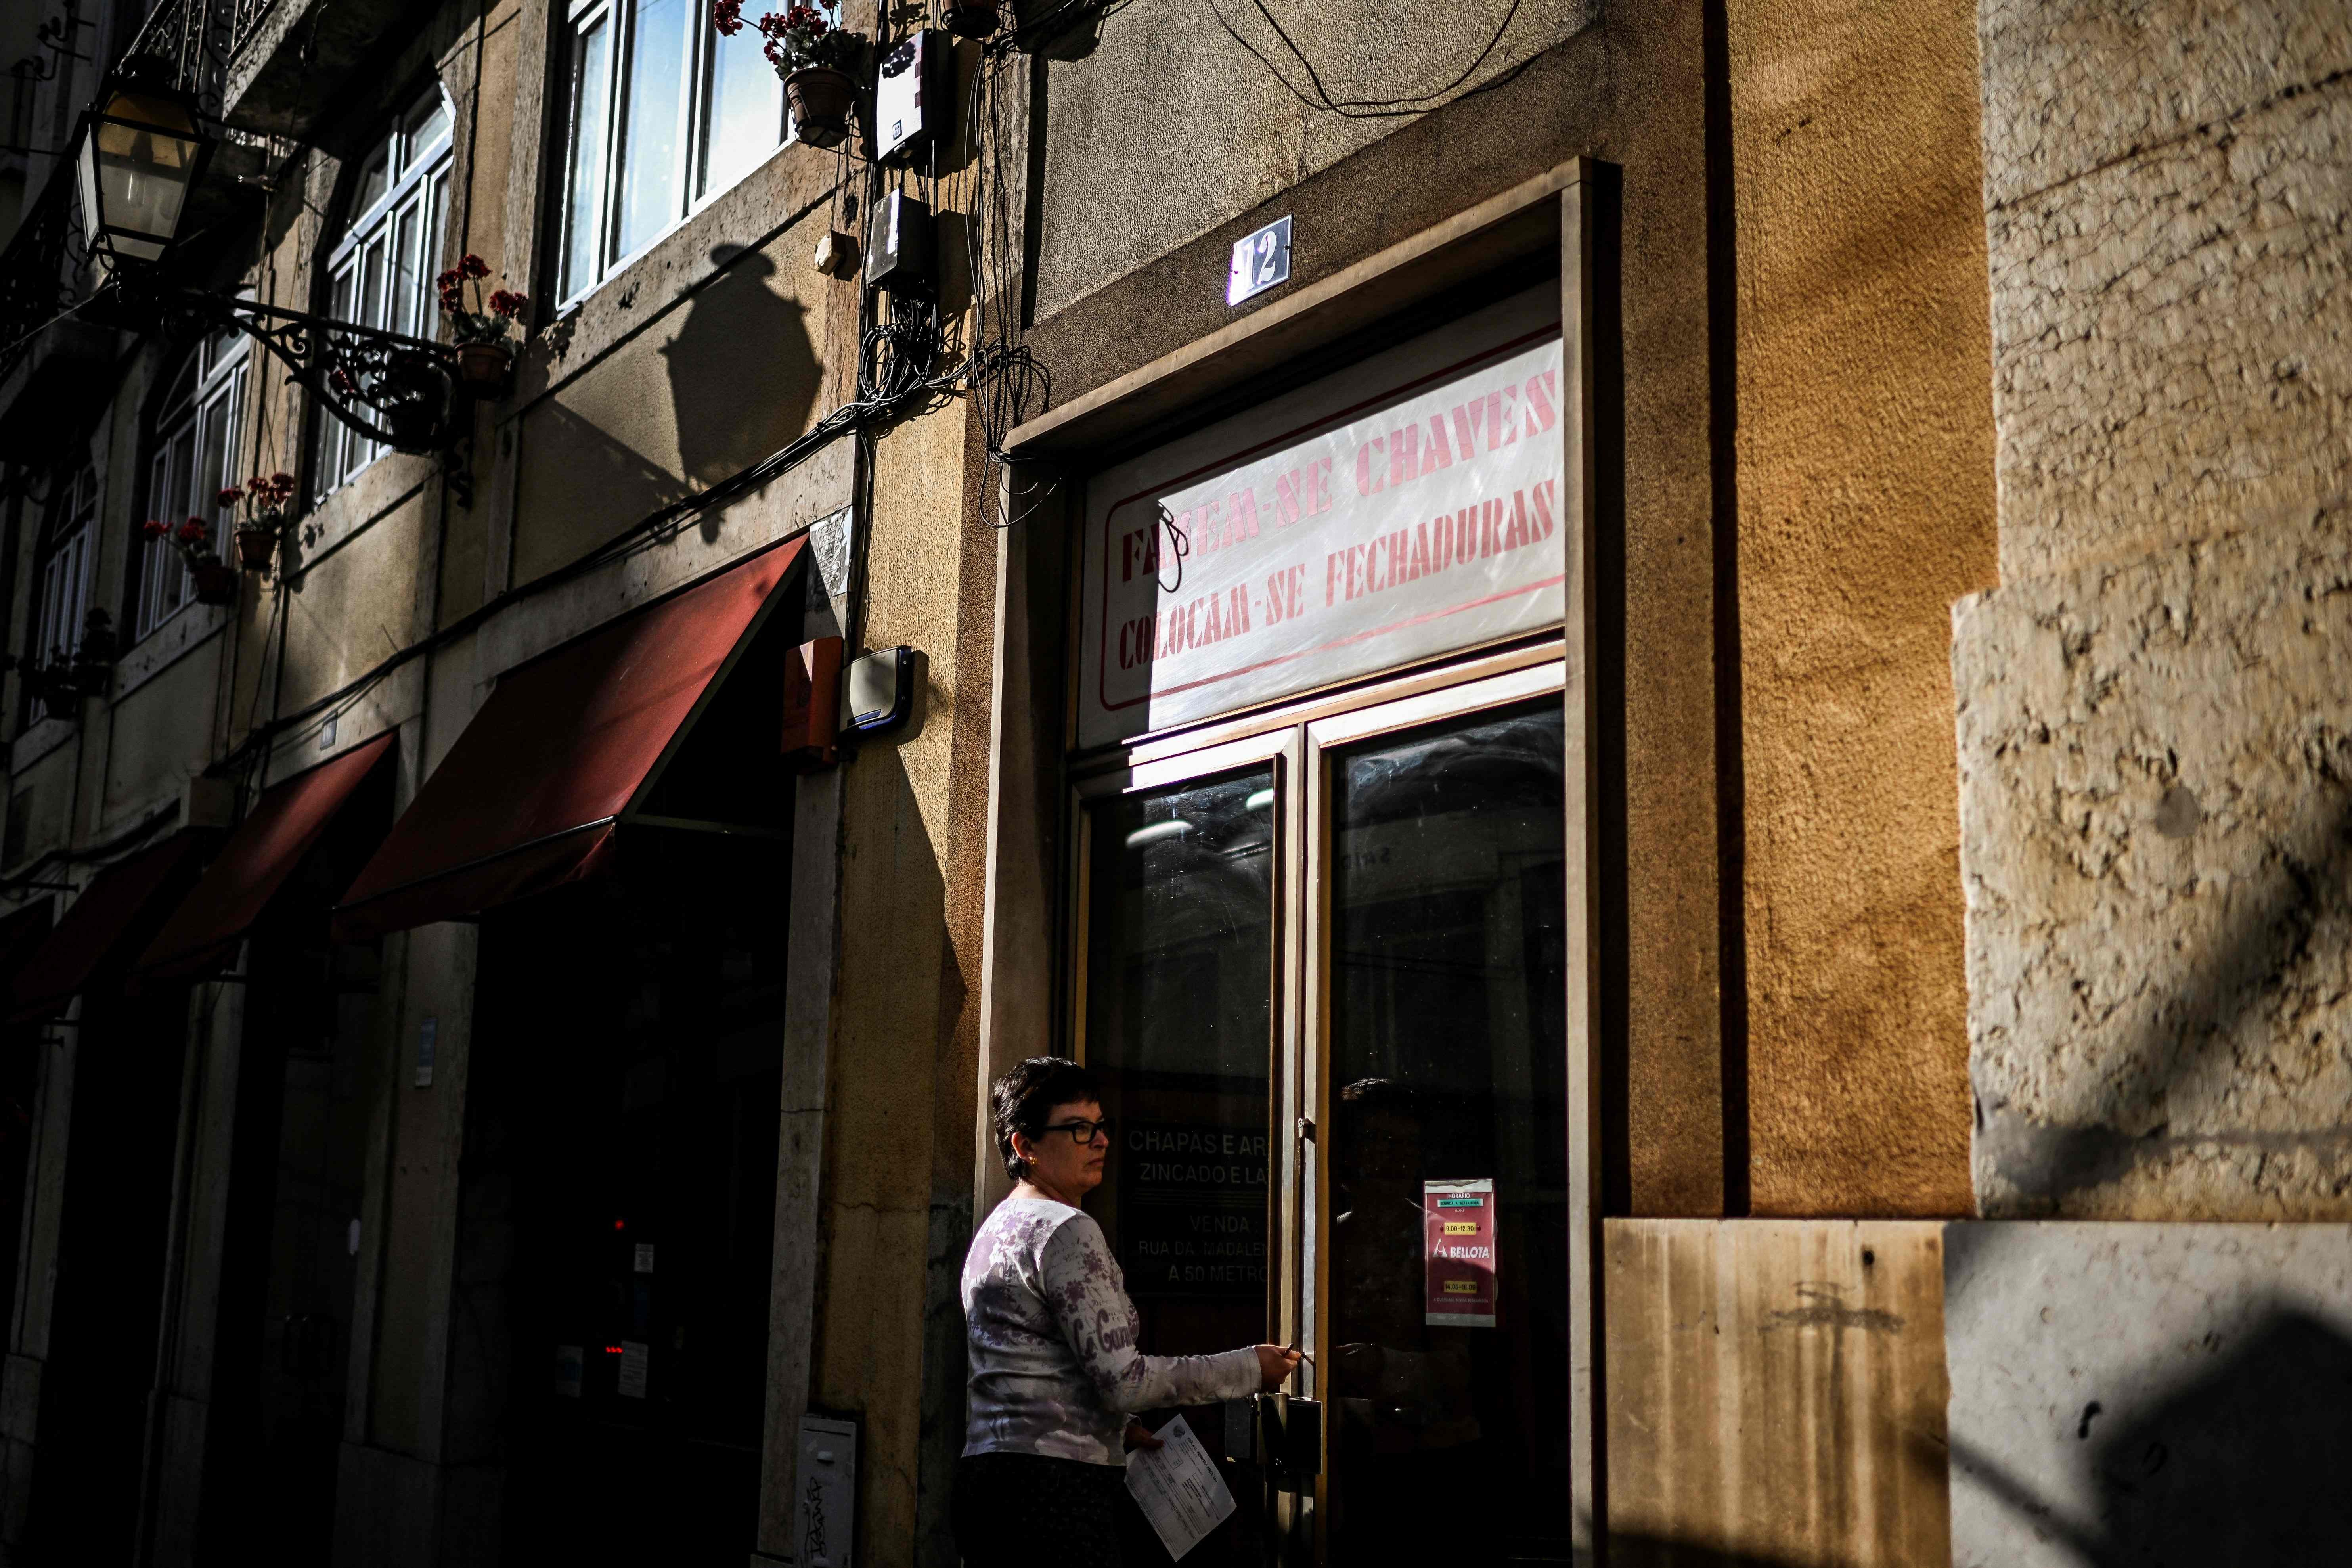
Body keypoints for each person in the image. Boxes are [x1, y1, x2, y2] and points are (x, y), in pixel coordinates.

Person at [955, 1056, 1301, 1568]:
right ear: (1025, 1147)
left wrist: (1113, 1429)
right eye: (1078, 1129)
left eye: (1100, 1126)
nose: (1101, 1142)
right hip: (1052, 1496)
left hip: (992, 1486)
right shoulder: (1065, 1230)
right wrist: (1251, 1367)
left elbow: (1032, 1372)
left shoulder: (997, 1229)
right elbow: (1126, 1383)